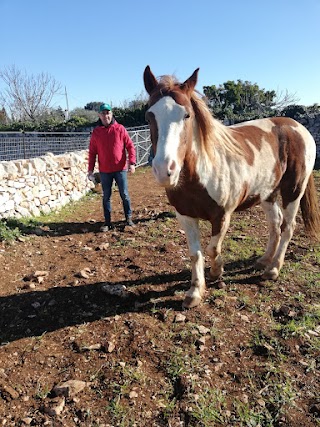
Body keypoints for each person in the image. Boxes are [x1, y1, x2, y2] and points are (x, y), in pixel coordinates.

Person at [88, 103, 136, 231]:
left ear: (111, 114)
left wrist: (132, 162)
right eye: (103, 113)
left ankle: (128, 218)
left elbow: (130, 146)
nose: (106, 116)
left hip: (120, 169)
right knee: (106, 196)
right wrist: (90, 170)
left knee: (124, 194)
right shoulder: (96, 133)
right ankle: (108, 222)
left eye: (108, 113)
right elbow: (92, 152)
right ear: (99, 115)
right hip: (105, 171)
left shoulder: (120, 129)